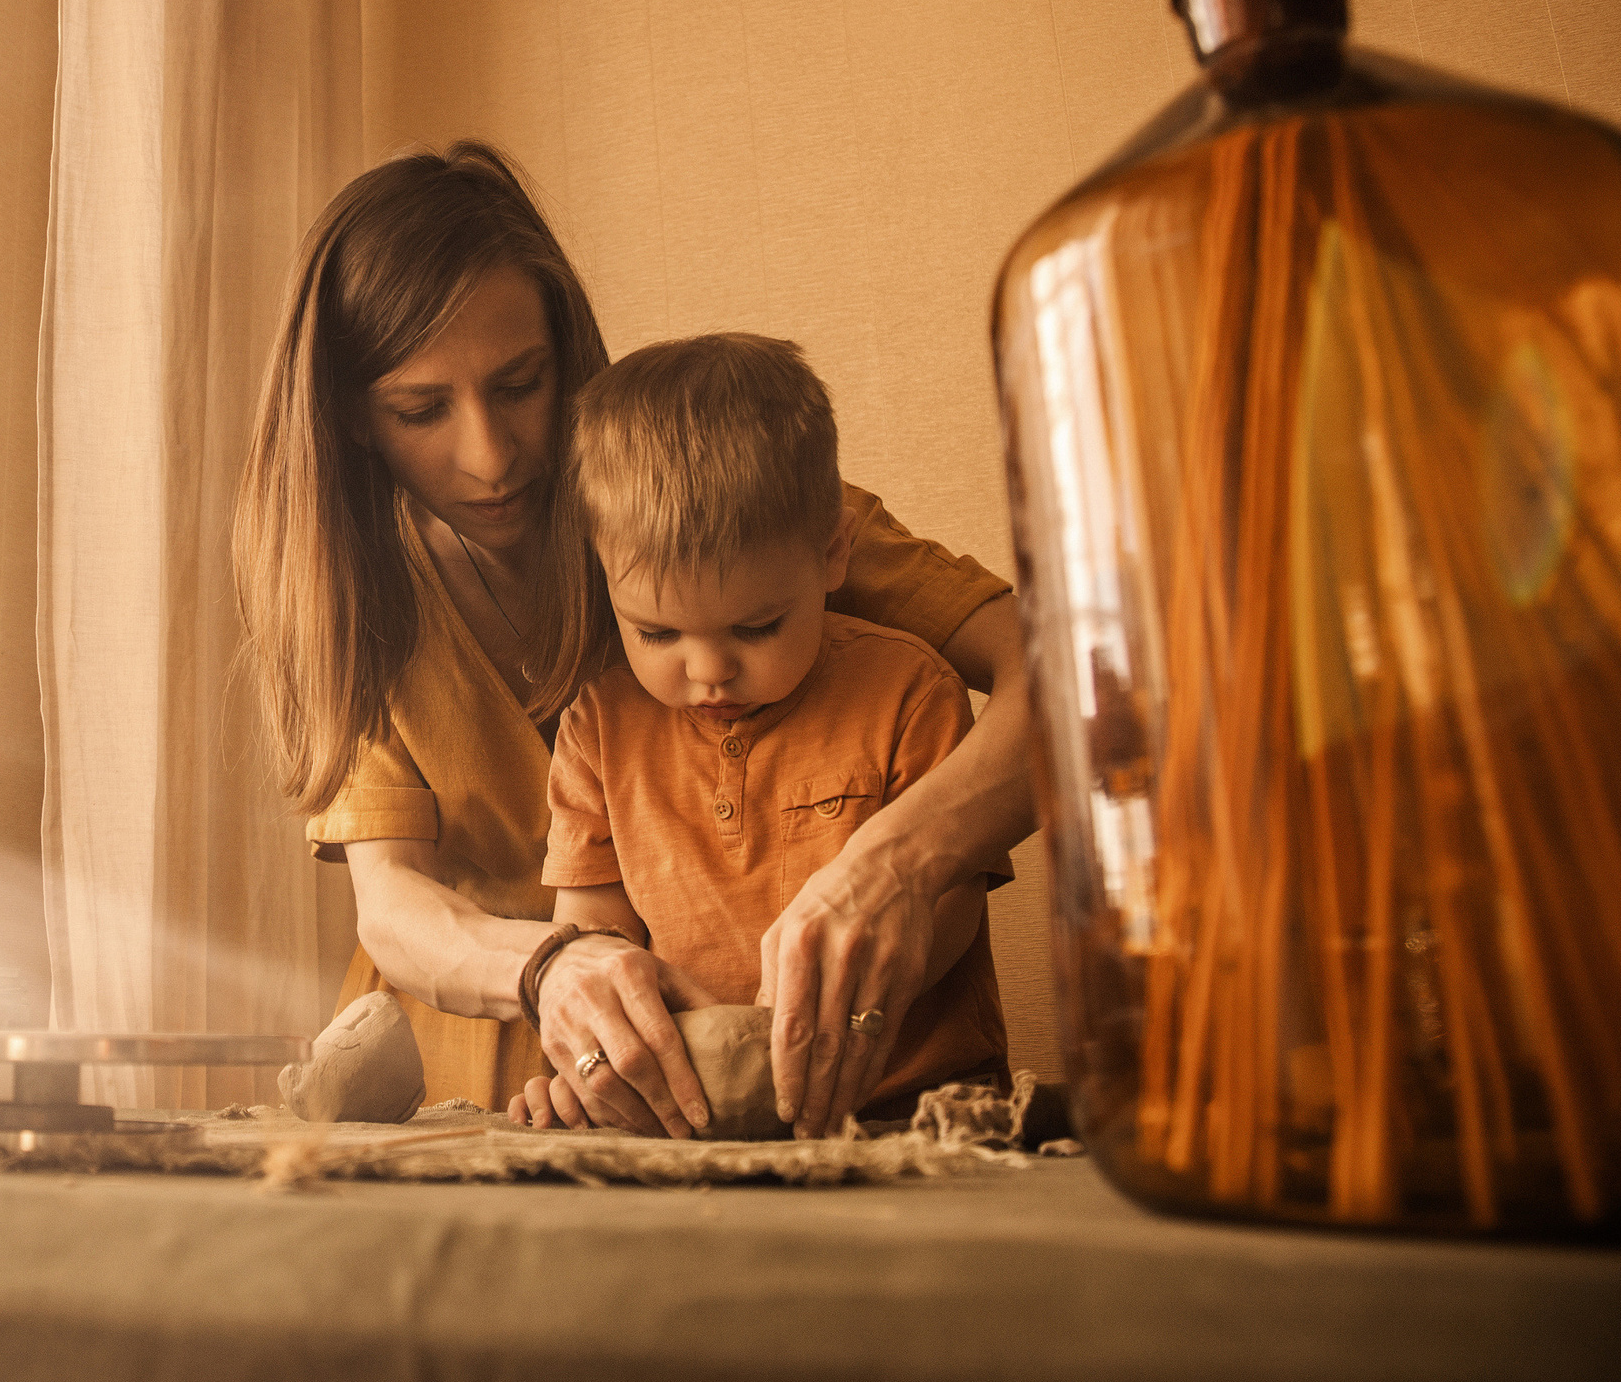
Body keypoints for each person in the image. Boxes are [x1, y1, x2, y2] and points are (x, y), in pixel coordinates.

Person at [232, 142, 1032, 1140]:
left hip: (767, 1097)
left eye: (520, 384)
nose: (488, 457)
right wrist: (548, 965)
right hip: (489, 1102)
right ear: (353, 418)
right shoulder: (358, 596)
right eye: (421, 409)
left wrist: (902, 862)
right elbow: (391, 906)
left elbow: (1070, 687)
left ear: (565, 354)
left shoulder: (721, 498)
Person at [510, 334, 1009, 1133]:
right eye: (657, 633)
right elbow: (596, 940)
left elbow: (941, 913)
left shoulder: (910, 690)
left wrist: (810, 1011)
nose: (709, 671)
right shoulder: (598, 727)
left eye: (757, 625)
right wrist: (589, 1061)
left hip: (915, 1112)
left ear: (833, 553)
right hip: (695, 1124)